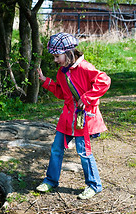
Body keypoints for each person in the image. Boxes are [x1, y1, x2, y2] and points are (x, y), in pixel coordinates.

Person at [36, 32, 111, 199]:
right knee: (56, 149)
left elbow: (105, 81)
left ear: (68, 52)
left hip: (83, 120)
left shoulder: (85, 68)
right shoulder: (61, 73)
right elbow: (62, 93)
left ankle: (94, 185)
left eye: (57, 56)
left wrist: (87, 97)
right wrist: (45, 81)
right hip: (66, 120)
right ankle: (51, 180)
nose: (55, 60)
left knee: (84, 153)